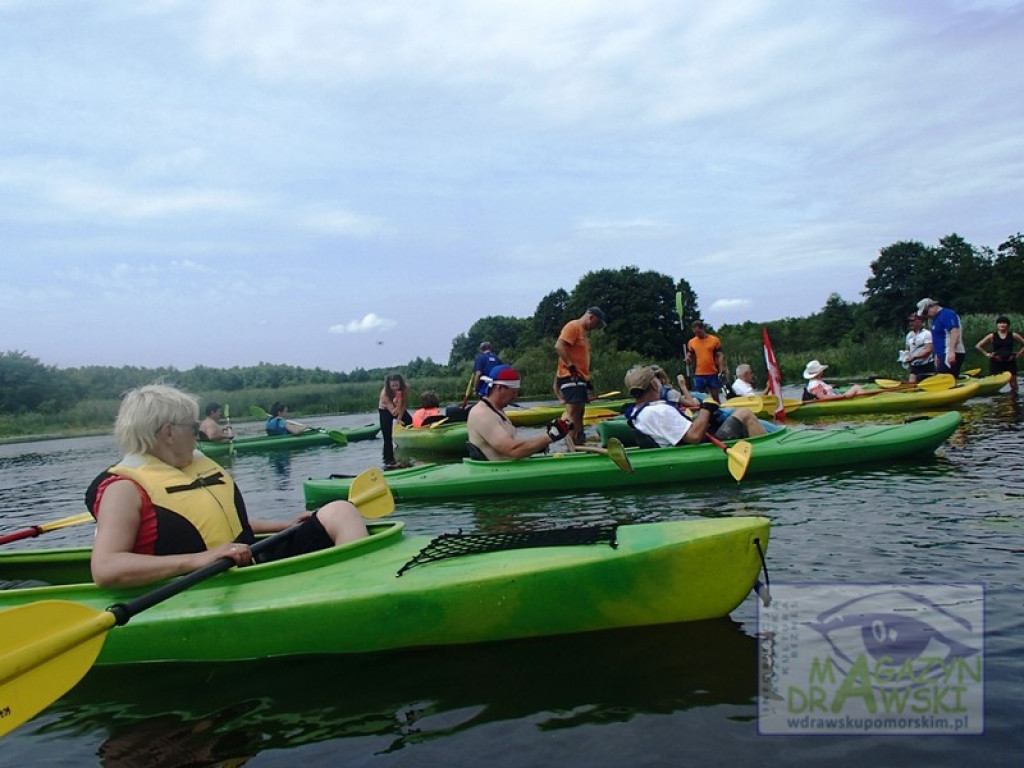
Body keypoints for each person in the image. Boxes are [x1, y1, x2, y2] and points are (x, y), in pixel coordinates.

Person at [86, 384, 368, 589]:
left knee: (340, 510)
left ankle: (358, 583)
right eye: (193, 428)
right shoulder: (123, 489)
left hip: (245, 566)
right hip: (200, 586)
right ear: (168, 433)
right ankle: (352, 591)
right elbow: (106, 568)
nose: (197, 436)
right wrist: (199, 560)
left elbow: (224, 520)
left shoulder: (190, 466)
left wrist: (283, 525)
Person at [623, 365, 766, 448]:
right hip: (697, 447)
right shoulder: (659, 411)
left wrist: (707, 417)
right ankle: (767, 451)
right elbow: (694, 436)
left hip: (679, 444)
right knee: (744, 413)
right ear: (654, 384)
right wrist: (706, 409)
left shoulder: (636, 411)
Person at [467, 365, 572, 460]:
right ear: (499, 388)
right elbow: (512, 449)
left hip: (506, 469)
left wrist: (538, 445)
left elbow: (514, 447)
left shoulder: (496, 410)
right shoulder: (481, 414)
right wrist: (550, 437)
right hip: (495, 474)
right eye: (514, 392)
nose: (515, 397)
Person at [554, 306, 606, 443]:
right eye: (597, 323)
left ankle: (579, 440)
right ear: (591, 317)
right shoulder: (573, 326)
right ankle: (570, 445)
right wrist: (570, 366)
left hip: (580, 379)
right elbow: (559, 346)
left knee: (580, 412)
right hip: (570, 377)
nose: (596, 327)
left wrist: (587, 382)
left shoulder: (583, 334)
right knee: (573, 412)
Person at [975, 315, 1024, 392]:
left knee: (1013, 384)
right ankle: (996, 400)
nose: (1002, 325)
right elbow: (978, 346)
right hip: (996, 361)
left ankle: (1015, 400)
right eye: (1000, 323)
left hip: (1010, 361)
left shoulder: (1013, 335)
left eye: (1004, 323)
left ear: (1008, 325)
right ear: (997, 325)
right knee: (994, 384)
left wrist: (1019, 354)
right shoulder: (992, 336)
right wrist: (986, 354)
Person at [917, 298, 965, 376]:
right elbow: (937, 338)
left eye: (926, 312)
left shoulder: (947, 314)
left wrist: (952, 352)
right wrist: (937, 355)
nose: (926, 316)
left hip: (950, 352)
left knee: (943, 379)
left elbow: (955, 332)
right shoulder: (935, 320)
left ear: (932, 306)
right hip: (942, 354)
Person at [685, 321, 725, 403]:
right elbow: (691, 354)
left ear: (702, 329)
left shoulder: (714, 340)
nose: (697, 334)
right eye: (695, 333)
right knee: (699, 397)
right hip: (699, 374)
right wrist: (688, 358)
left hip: (712, 372)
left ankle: (717, 412)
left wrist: (721, 370)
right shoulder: (692, 342)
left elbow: (720, 355)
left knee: (715, 398)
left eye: (698, 332)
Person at [378, 373, 412, 467]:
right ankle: (388, 461)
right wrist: (398, 402)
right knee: (387, 437)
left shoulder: (405, 388)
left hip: (399, 408)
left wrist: (399, 419)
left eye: (397, 385)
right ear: (388, 385)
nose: (395, 388)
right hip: (385, 410)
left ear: (400, 383)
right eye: (392, 386)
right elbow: (393, 412)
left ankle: (408, 450)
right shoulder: (384, 394)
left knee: (409, 421)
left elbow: (404, 404)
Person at [801, 360, 866, 400]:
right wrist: (843, 396)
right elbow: (822, 397)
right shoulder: (815, 384)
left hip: (835, 397)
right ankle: (865, 402)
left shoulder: (815, 382)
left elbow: (823, 390)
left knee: (856, 387)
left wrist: (831, 386)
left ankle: (863, 400)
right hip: (835, 400)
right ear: (819, 372)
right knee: (856, 387)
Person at [902, 312, 935, 384]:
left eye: (913, 321)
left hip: (926, 365)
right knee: (911, 385)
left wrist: (914, 357)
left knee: (927, 385)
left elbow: (928, 350)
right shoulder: (909, 335)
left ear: (920, 321)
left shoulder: (926, 334)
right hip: (914, 366)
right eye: (910, 321)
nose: (911, 323)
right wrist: (906, 359)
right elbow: (907, 350)